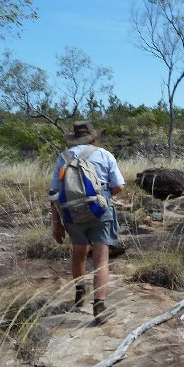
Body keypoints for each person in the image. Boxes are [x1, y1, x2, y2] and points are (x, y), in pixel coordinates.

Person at [50, 120, 125, 324]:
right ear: (93, 137)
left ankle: (79, 294)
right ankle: (99, 308)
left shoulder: (63, 157)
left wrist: (56, 224)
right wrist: (103, 196)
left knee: (79, 253)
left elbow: (54, 193)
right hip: (100, 211)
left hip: (72, 214)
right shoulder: (104, 155)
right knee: (101, 259)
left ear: (74, 139)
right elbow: (119, 186)